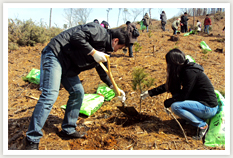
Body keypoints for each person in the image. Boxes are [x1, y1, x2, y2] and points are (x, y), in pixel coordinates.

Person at [25, 22, 129, 150]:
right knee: (50, 95)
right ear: (115, 41)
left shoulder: (104, 50)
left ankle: (68, 129)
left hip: (68, 66)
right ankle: (32, 138)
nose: (119, 50)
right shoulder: (98, 31)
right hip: (56, 54)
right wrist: (93, 52)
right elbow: (76, 37)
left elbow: (104, 72)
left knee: (78, 92)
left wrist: (115, 89)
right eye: (120, 47)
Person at [141, 48, 218, 140]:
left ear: (173, 63)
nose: (168, 66)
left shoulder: (190, 72)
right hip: (200, 103)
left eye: (168, 63)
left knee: (176, 106)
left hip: (208, 108)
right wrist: (150, 93)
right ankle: (191, 119)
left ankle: (202, 125)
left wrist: (169, 101)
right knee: (175, 93)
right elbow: (170, 85)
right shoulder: (183, 69)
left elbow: (184, 95)